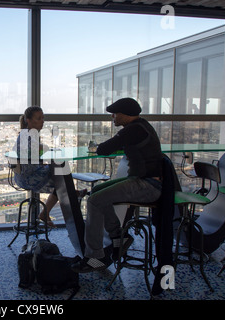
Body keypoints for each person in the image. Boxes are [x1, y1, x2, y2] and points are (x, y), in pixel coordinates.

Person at [71, 97, 163, 272]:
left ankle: (94, 258)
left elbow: (104, 149)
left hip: (148, 186)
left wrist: (108, 145)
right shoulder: (141, 126)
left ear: (125, 115)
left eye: (115, 114)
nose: (112, 117)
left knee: (94, 200)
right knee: (97, 192)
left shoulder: (132, 130)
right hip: (143, 181)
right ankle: (118, 237)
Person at [13, 106, 86, 227]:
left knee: (61, 179)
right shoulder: (29, 135)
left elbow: (35, 155)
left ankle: (64, 198)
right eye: (38, 118)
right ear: (28, 120)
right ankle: (69, 195)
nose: (42, 121)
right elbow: (37, 154)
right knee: (61, 176)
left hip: (21, 176)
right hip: (29, 177)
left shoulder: (26, 134)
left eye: (43, 118)